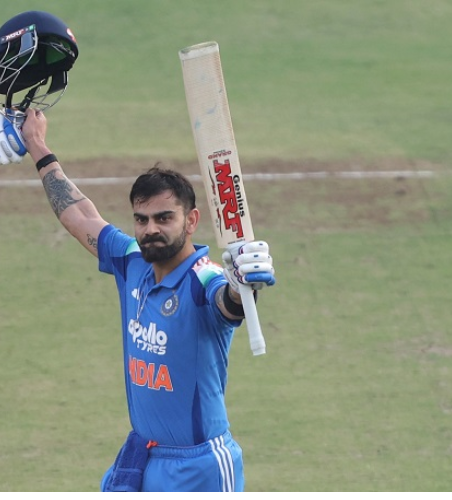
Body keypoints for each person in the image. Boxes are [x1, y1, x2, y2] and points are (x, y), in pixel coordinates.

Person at [16, 108, 275, 492]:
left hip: (202, 467)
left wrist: (241, 283)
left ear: (191, 221)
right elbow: (79, 215)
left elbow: (227, 302)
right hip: (146, 458)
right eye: (141, 219)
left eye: (164, 218)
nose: (150, 229)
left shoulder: (203, 279)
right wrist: (36, 144)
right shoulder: (131, 261)